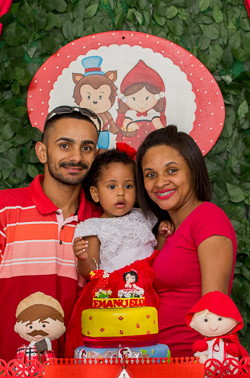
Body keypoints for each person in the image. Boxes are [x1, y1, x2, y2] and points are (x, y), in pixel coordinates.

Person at [0, 106, 103, 359]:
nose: (76, 157)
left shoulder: (100, 220)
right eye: (65, 145)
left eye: (86, 148)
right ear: (42, 152)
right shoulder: (2, 208)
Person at [136, 126, 237, 357]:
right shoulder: (168, 230)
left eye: (172, 171)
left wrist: (207, 369)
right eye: (150, 174)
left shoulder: (207, 217)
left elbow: (214, 310)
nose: (160, 182)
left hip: (193, 363)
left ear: (193, 171)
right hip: (160, 361)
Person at [65, 146, 172, 356]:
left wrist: (162, 233)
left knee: (146, 341)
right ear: (95, 193)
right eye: (112, 186)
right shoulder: (93, 226)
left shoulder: (144, 216)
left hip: (145, 290)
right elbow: (91, 272)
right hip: (113, 294)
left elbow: (156, 256)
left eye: (128, 186)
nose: (121, 193)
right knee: (114, 344)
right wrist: (83, 257)